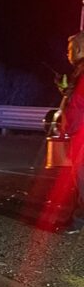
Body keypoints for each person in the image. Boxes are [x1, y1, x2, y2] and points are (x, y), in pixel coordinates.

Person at [58, 30, 84, 233]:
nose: (68, 53)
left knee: (82, 178)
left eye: (70, 49)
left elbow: (77, 105)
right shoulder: (79, 72)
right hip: (78, 132)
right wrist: (66, 90)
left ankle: (78, 221)